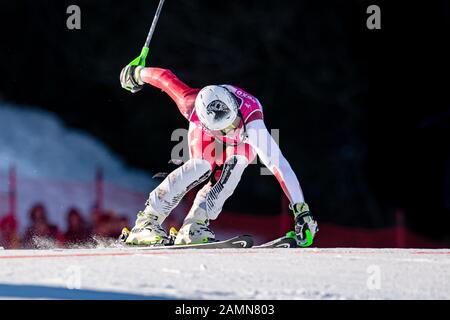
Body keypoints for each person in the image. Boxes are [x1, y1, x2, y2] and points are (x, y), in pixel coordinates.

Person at [120, 64, 318, 246]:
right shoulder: (189, 103)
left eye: (232, 124)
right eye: (225, 130)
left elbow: (279, 164)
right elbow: (163, 78)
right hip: (205, 132)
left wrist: (302, 211)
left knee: (236, 165)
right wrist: (135, 73)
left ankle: (195, 224)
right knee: (200, 166)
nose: (231, 131)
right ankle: (146, 221)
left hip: (243, 138)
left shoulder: (251, 121)